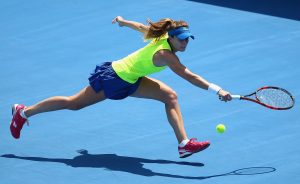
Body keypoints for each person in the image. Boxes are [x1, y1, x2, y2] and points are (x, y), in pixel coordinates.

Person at [10, 16, 232, 158]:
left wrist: (124, 22)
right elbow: (189, 76)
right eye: (182, 39)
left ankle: (184, 144)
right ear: (172, 38)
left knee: (170, 96)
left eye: (188, 39)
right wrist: (217, 90)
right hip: (115, 77)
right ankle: (24, 111)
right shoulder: (165, 55)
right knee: (74, 103)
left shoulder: (164, 36)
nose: (185, 43)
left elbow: (142, 28)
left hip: (132, 78)